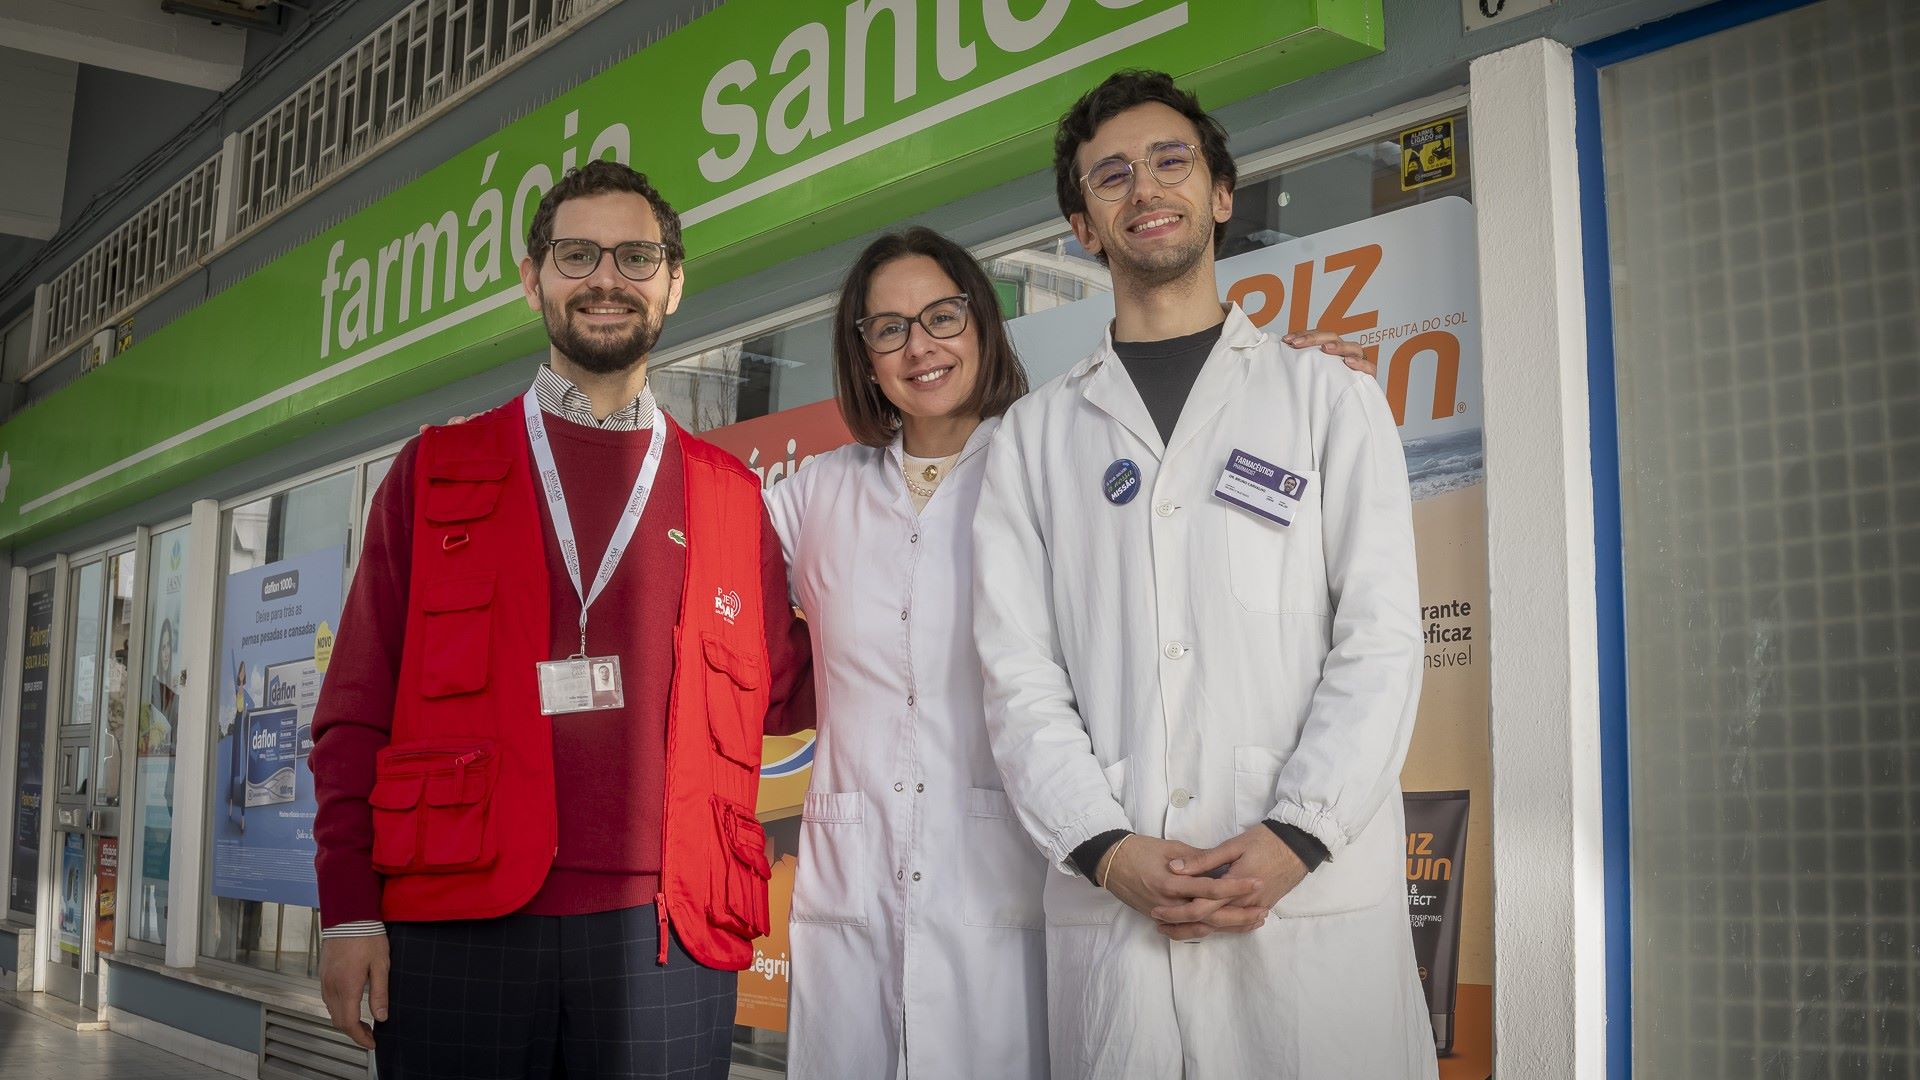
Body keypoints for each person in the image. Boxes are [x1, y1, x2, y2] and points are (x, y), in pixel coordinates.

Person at [768, 226, 1373, 1079]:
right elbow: (711, 563)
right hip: (854, 878)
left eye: (943, 316)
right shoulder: (812, 494)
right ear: (862, 355)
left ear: (981, 324)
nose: (922, 346)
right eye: (889, 328)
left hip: (1011, 866)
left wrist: (1294, 380)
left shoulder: (1053, 448)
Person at [971, 70, 1436, 1079]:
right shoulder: (1034, 441)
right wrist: (1104, 846)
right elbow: (1016, 673)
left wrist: (1299, 834)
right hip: (1116, 914)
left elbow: (1383, 641)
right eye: (1112, 175)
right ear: (1083, 226)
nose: (1146, 190)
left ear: (1222, 193)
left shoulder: (1328, 401)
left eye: (1171, 161)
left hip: (1307, 910)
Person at [309, 159, 813, 1080]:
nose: (606, 279)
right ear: (531, 276)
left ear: (673, 281)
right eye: (578, 254)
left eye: (635, 256)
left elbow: (789, 693)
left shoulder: (731, 499)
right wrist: (349, 910)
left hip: (668, 931)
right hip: (457, 922)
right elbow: (353, 711)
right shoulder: (434, 472)